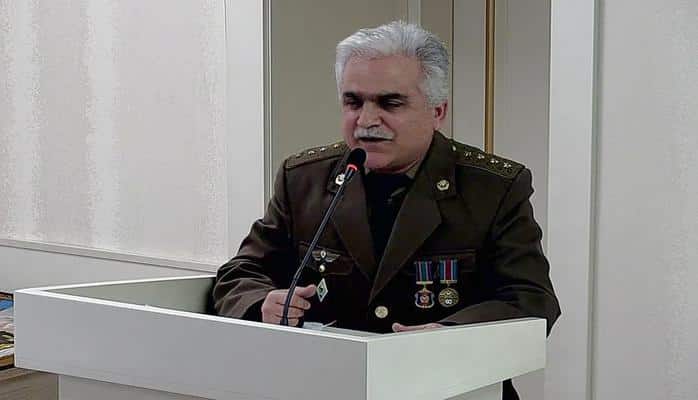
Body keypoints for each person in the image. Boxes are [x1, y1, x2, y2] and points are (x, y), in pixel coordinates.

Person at [213, 21, 560, 399]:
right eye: (353, 102)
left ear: (437, 111)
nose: (366, 121)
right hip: (329, 386)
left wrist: (450, 336)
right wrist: (262, 304)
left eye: (390, 103)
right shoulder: (304, 179)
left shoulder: (492, 188)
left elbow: (531, 300)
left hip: (450, 387)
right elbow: (240, 273)